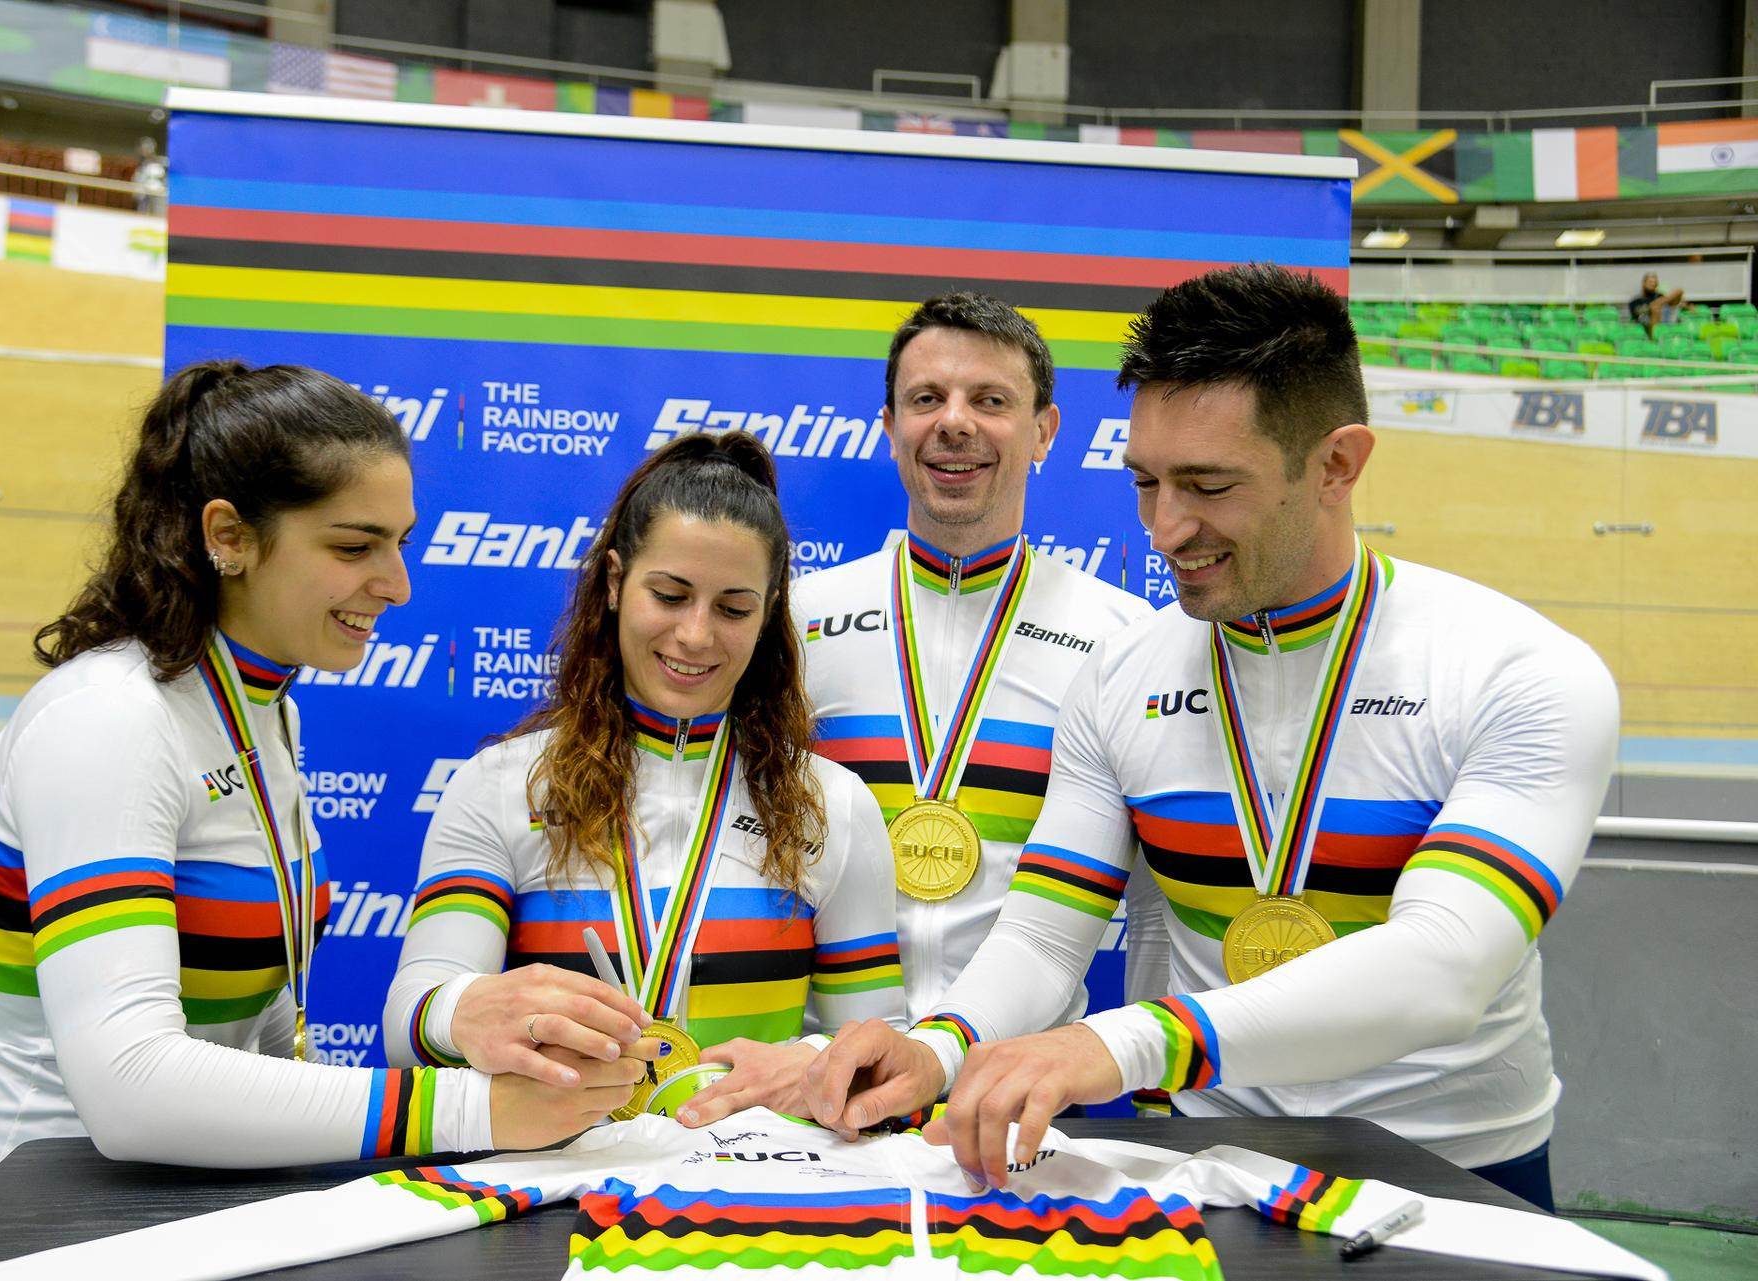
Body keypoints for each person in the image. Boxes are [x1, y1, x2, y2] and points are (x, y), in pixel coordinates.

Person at [802, 264, 1618, 1214]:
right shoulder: (1121, 671)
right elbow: (1046, 934)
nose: (1164, 528)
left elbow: (1445, 964)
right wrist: (939, 1047)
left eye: (1208, 485)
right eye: (1146, 483)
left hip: (1455, 1162)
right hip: (1213, 1158)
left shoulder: (1520, 669)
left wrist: (1119, 1043)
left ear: (1338, 464)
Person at [0, 361, 643, 1277]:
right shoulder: (110, 717)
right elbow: (127, 1087)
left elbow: (253, 1032)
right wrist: (474, 1108)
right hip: (14, 1229)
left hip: (170, 1223)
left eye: (400, 542)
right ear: (229, 536)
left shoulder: (262, 710)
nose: (397, 584)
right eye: (355, 546)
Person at [385, 431, 906, 1130]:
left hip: (754, 1183)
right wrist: (470, 1009)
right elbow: (409, 1024)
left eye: (733, 608)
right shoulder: (503, 785)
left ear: (769, 611)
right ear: (613, 582)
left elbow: (877, 1049)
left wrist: (810, 1060)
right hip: (555, 1179)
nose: (696, 635)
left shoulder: (832, 802)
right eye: (669, 594)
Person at [786, 293, 1160, 1079]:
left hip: (1025, 1085)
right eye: (927, 399)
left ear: (1045, 431)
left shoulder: (1126, 638)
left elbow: (1159, 911)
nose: (954, 422)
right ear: (889, 427)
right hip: (825, 1080)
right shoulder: (796, 620)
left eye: (990, 400)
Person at [1628, 271, 1689, 335]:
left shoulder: (1661, 297)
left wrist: (1658, 303)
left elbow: (1679, 291)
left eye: (1655, 282)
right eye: (1650, 282)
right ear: (1644, 283)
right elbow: (1635, 320)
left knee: (1657, 308)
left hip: (1662, 327)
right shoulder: (1635, 302)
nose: (1652, 284)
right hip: (1644, 330)